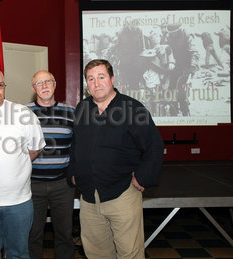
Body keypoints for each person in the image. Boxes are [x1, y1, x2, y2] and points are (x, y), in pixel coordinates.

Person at [67, 59, 164, 259]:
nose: (96, 83)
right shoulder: (82, 108)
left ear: (111, 79)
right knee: (96, 253)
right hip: (88, 198)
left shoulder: (132, 108)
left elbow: (155, 145)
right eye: (91, 79)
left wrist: (143, 177)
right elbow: (75, 144)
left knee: (130, 254)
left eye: (101, 77)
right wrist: (73, 172)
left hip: (122, 194)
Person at [0, 67, 45, 259]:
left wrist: (15, 164)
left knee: (19, 254)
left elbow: (35, 149)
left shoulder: (24, 114)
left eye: (0, 85)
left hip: (18, 202)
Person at [26, 70, 76, 259]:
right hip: (31, 185)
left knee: (64, 234)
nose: (44, 86)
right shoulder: (22, 113)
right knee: (33, 235)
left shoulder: (71, 112)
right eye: (39, 83)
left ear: (55, 84)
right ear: (33, 88)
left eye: (48, 81)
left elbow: (77, 147)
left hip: (62, 185)